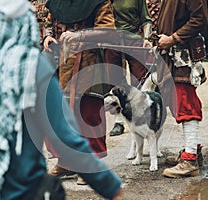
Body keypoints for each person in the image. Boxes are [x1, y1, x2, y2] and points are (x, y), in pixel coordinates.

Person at [0, 0, 123, 199]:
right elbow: (64, 137)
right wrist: (110, 187)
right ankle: (66, 165)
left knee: (87, 116)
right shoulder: (33, 67)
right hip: (22, 192)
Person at [42, 0, 124, 185]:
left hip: (89, 62)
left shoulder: (100, 2)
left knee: (87, 114)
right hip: (62, 61)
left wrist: (81, 36)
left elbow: (109, 32)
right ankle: (66, 161)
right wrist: (48, 35)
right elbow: (50, 19)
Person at [155, 0, 208, 178]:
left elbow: (199, 19)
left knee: (186, 102)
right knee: (179, 101)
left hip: (182, 56)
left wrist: (173, 38)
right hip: (171, 55)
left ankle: (190, 159)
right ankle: (192, 150)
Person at [108, 0, 153, 136]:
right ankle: (118, 121)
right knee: (114, 80)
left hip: (133, 39)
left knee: (140, 79)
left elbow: (147, 20)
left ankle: (139, 117)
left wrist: (146, 38)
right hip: (111, 41)